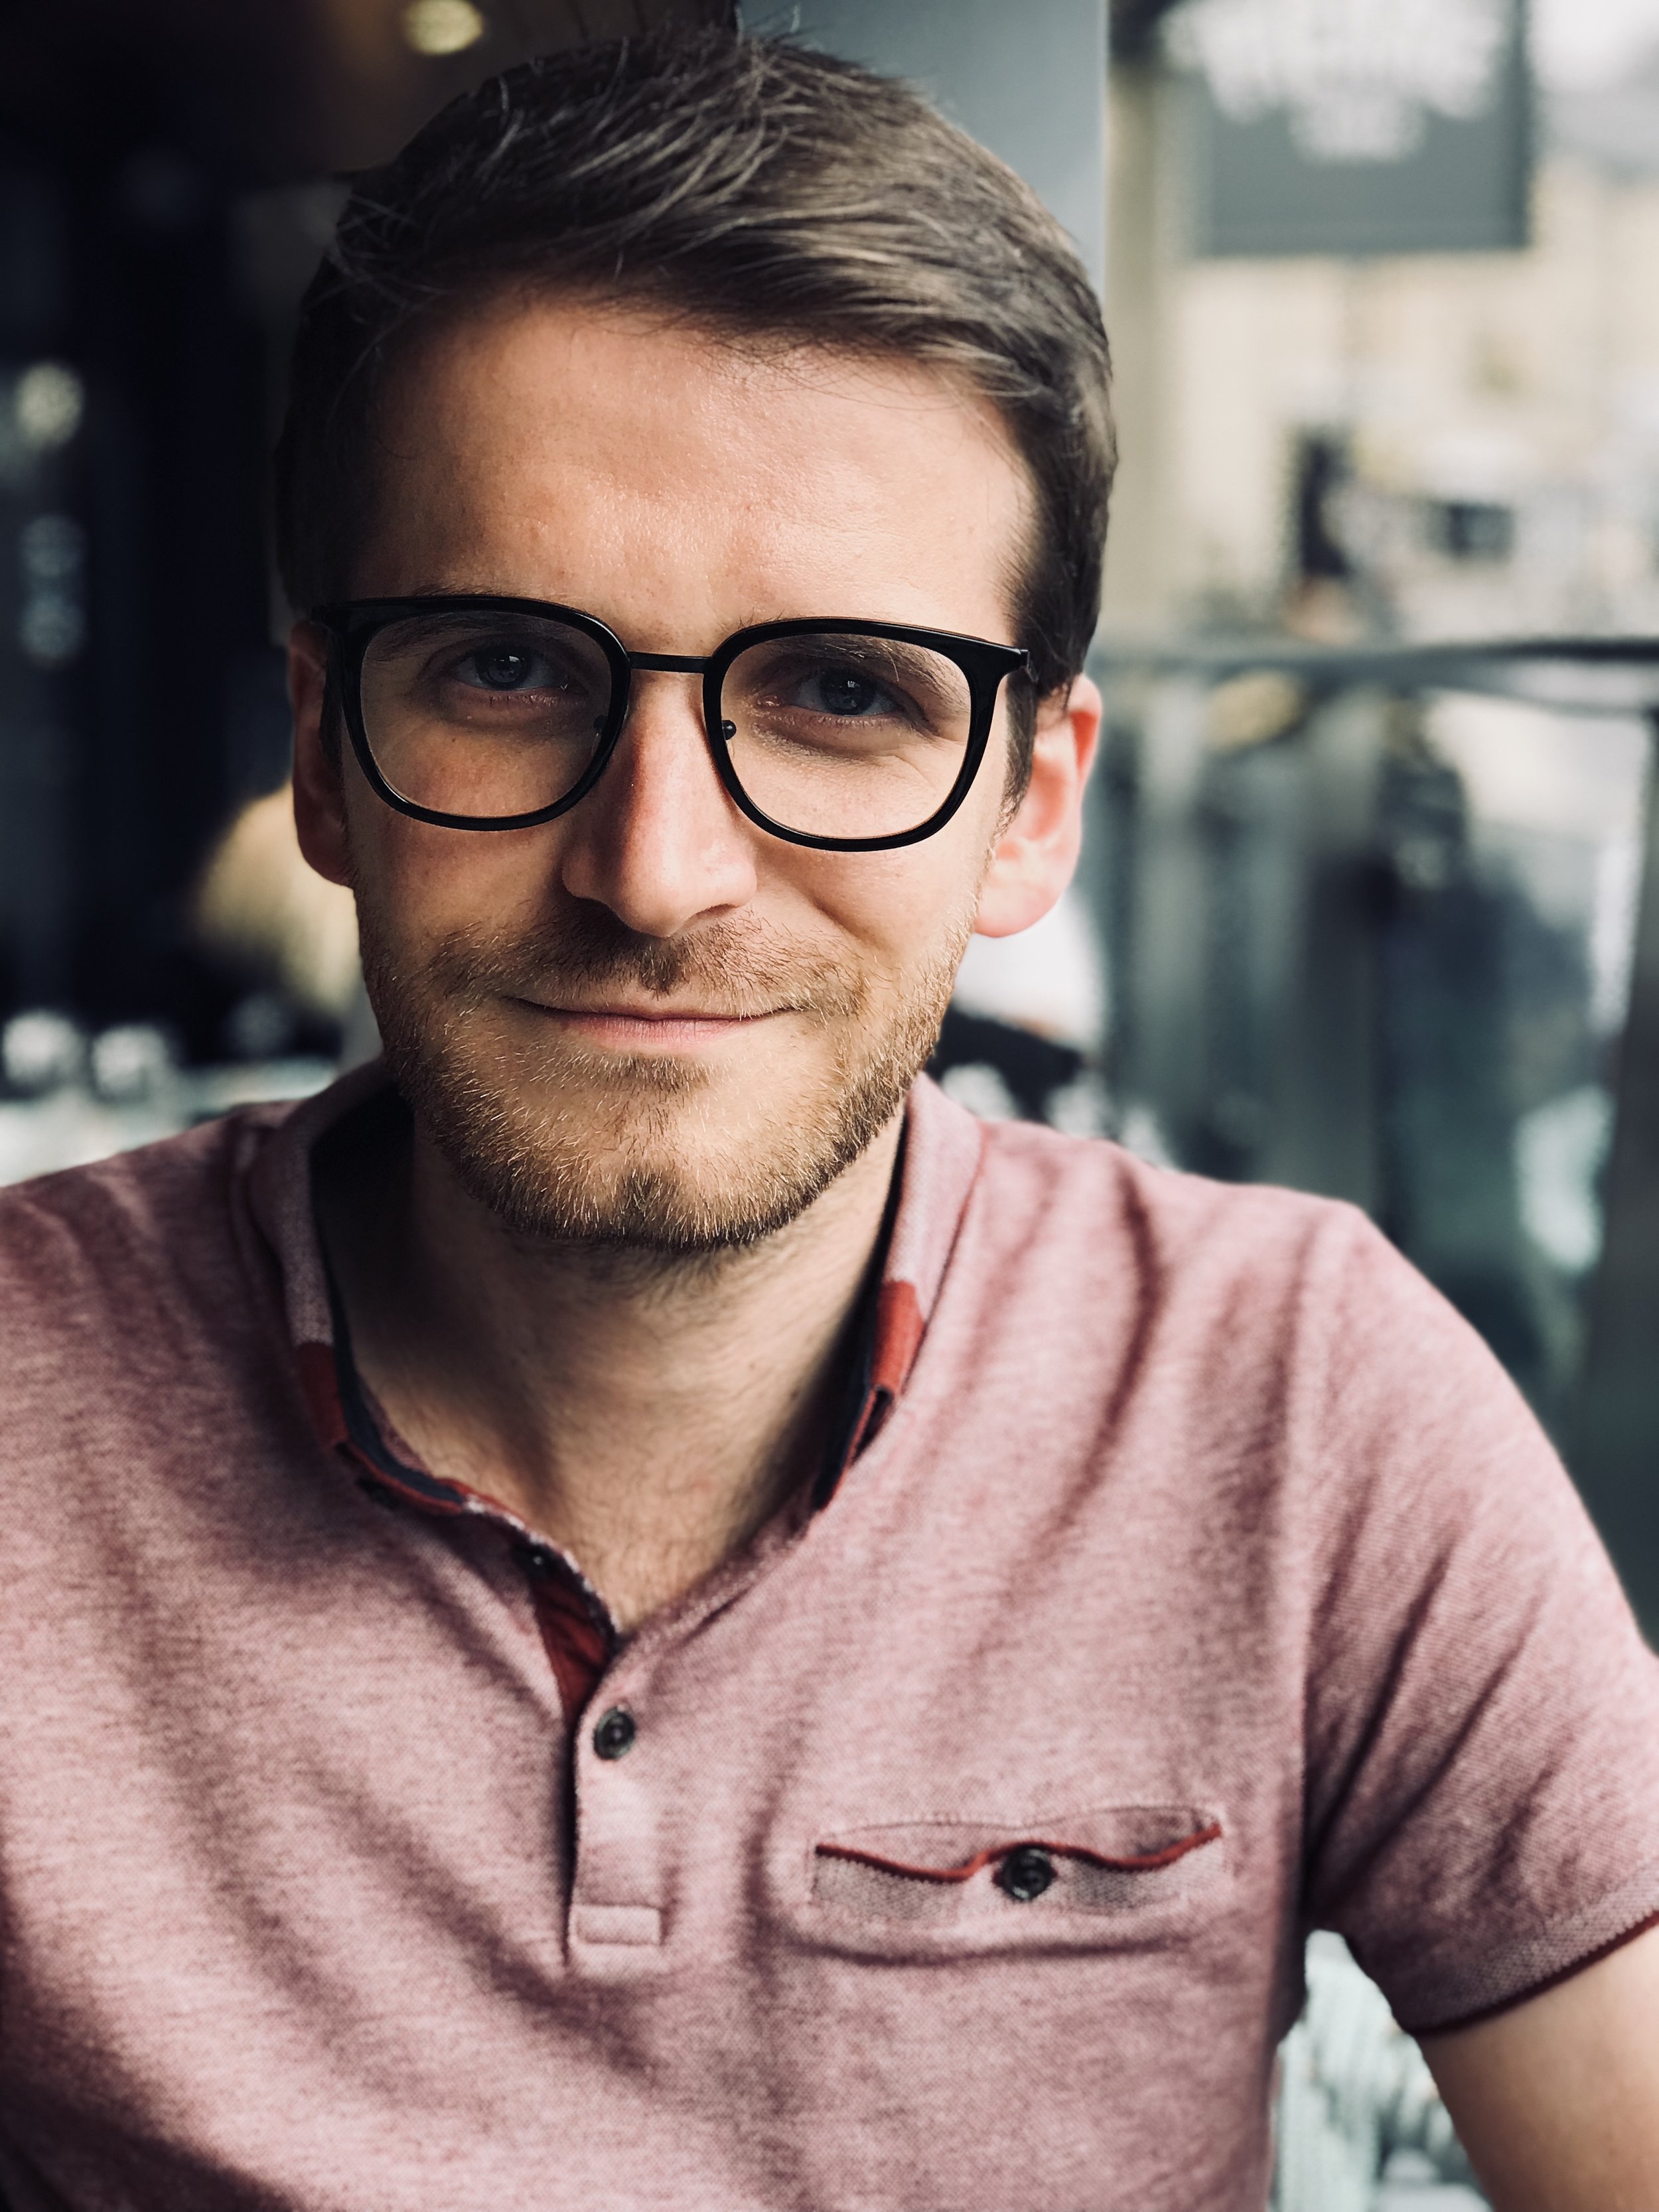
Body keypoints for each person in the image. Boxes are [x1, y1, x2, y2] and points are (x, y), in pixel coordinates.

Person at [1, 31, 1655, 2212]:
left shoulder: (1302, 1406)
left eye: (844, 691)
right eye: (509, 667)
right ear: (323, 748)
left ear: (1026, 809)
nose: (658, 867)